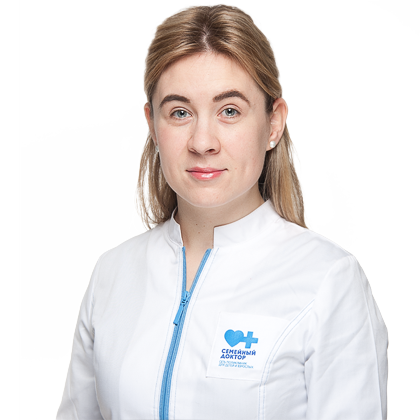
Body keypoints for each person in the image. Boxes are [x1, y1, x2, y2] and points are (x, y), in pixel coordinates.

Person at [56, 4, 388, 420]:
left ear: (273, 123)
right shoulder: (112, 275)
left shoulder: (329, 281)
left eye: (229, 110)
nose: (202, 142)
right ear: (152, 124)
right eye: (179, 112)